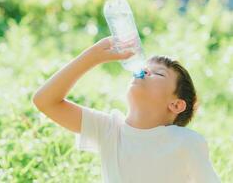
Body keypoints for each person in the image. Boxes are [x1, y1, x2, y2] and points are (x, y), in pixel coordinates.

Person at [33, 37, 221, 182]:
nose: (145, 71)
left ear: (176, 105)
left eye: (158, 73)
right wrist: (92, 56)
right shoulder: (109, 130)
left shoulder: (186, 142)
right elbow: (45, 101)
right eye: (145, 68)